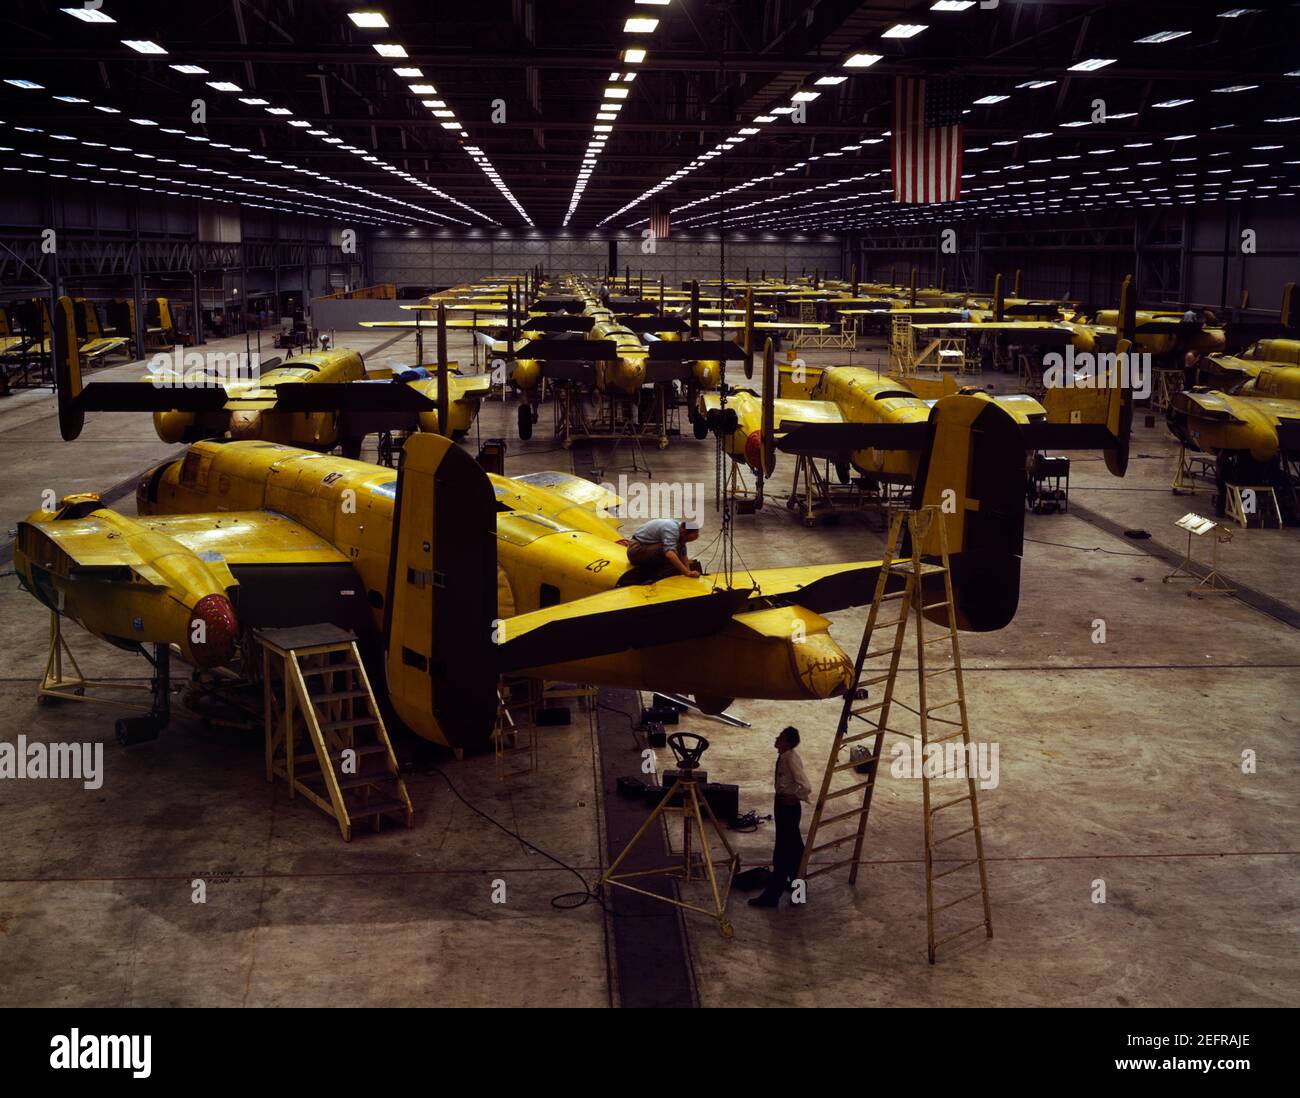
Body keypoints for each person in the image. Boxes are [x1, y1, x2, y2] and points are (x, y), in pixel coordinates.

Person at [750, 726, 812, 908]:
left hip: (788, 807)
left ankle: (773, 895)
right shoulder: (784, 757)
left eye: (781, 738)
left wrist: (795, 797)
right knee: (794, 849)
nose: (777, 739)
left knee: (783, 853)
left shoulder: (791, 759)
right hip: (782, 805)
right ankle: (798, 891)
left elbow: (806, 786)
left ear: (787, 742)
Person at [621, 517, 701, 581]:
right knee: (671, 551)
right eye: (687, 539)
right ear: (683, 532)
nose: (685, 542)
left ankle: (662, 571)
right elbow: (669, 554)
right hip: (636, 551)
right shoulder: (672, 529)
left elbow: (683, 554)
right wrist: (687, 573)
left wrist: (689, 571)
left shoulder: (680, 529)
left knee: (676, 548)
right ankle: (657, 578)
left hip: (647, 547)